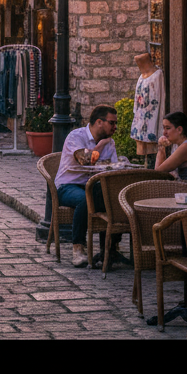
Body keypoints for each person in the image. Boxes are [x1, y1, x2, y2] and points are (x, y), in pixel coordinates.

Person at [52, 105, 121, 267]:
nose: (115, 127)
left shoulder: (110, 143)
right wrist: (101, 145)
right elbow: (85, 160)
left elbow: (113, 167)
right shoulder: (76, 136)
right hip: (68, 186)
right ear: (99, 122)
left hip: (93, 186)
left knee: (115, 199)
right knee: (85, 199)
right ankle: (78, 249)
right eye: (112, 123)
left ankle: (108, 251)